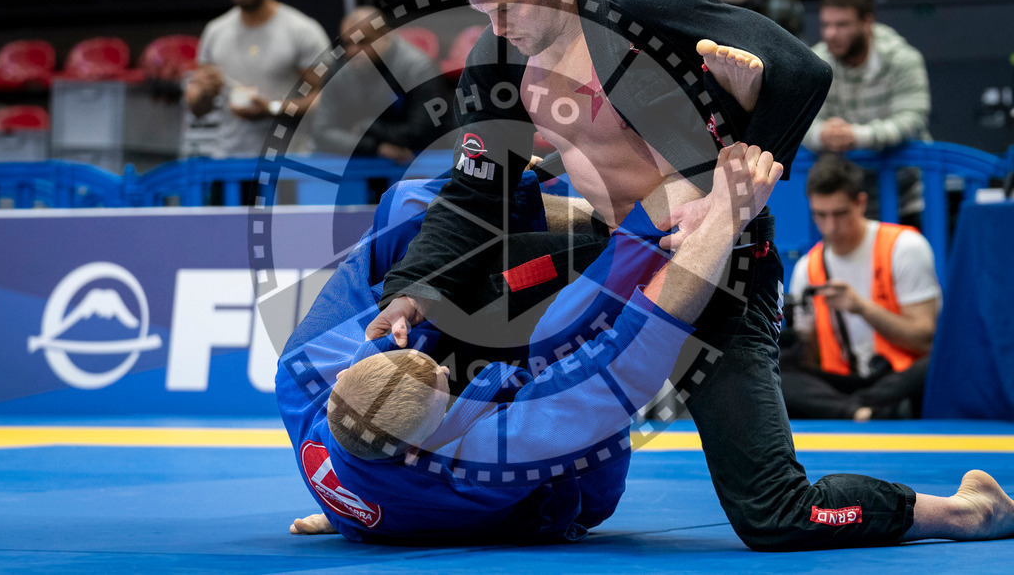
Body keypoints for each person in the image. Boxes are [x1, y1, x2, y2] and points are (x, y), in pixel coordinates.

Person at [357, 0, 1014, 551]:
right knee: (445, 297)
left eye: (505, 7)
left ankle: (960, 510)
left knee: (776, 514)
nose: (496, 27)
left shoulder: (640, 5)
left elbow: (803, 70)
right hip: (608, 252)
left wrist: (738, 166)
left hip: (716, 265)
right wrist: (411, 287)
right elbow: (478, 193)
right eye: (481, 11)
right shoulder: (498, 59)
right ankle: (395, 497)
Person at [281, 143, 783, 542]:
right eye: (441, 378)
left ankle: (375, 512)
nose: (441, 368)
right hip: (556, 492)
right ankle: (632, 230)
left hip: (382, 479)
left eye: (410, 355)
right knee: (564, 328)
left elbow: (384, 240)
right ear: (424, 449)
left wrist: (505, 181)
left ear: (342, 376)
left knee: (405, 206)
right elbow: (632, 353)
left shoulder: (304, 373)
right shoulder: (483, 463)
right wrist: (725, 218)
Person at [783, 154, 940, 421]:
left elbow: (926, 340)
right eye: (820, 215)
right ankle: (860, 410)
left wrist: (862, 308)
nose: (830, 227)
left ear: (861, 203)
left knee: (935, 364)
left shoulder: (904, 247)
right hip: (845, 379)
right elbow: (809, 356)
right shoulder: (807, 267)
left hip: (898, 375)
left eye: (840, 214)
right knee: (773, 372)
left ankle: (851, 407)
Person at [183, 0, 330, 160]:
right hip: (229, 163)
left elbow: (328, 98)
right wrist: (204, 91)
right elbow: (198, 108)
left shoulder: (301, 30)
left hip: (286, 164)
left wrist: (272, 108)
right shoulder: (215, 31)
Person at [804, 0, 932, 227]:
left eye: (841, 25)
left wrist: (855, 136)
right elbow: (802, 123)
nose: (830, 33)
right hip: (840, 204)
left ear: (867, 22)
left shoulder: (903, 58)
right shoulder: (816, 62)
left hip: (905, 199)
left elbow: (912, 119)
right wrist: (823, 135)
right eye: (825, 25)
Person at [308, 6, 454, 164]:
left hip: (424, 166)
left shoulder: (418, 68)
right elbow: (322, 132)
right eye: (347, 43)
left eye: (363, 41)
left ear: (385, 35)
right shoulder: (340, 71)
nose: (353, 51)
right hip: (362, 169)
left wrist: (367, 127)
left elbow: (423, 132)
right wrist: (375, 146)